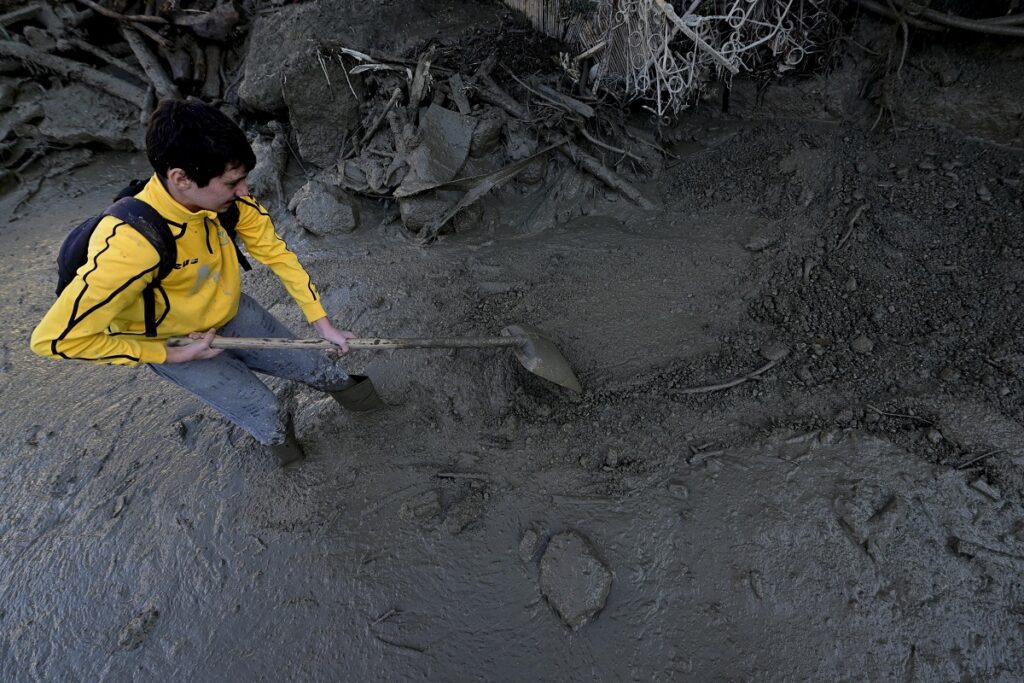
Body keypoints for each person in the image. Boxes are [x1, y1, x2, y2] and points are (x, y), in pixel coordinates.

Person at [30, 98, 378, 465]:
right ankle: (296, 466)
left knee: (317, 367)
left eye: (243, 178)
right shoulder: (131, 247)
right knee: (265, 411)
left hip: (230, 312)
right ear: (181, 177)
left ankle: (374, 411)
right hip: (174, 341)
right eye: (232, 182)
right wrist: (169, 354)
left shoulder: (231, 204)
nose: (244, 191)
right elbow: (54, 339)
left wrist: (322, 322)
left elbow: (277, 255)